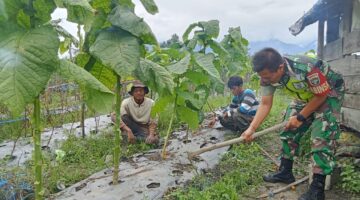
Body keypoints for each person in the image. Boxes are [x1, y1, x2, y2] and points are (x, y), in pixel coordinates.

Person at [243, 48, 344, 200]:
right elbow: (265, 103)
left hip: (328, 92)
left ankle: (317, 189)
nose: (265, 80)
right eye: (262, 77)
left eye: (268, 77)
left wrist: (301, 117)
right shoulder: (266, 75)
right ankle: (285, 172)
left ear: (280, 68)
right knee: (288, 127)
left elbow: (321, 94)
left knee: (321, 135)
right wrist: (251, 128)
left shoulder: (306, 68)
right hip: (306, 95)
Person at [111, 80, 159, 145]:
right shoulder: (126, 102)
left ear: (145, 92)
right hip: (130, 125)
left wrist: (151, 134)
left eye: (141, 90)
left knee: (154, 140)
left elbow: (153, 122)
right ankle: (129, 137)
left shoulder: (151, 103)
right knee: (124, 117)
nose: (139, 93)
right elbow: (114, 115)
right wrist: (128, 130)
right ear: (132, 93)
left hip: (144, 128)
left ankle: (136, 139)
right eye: (136, 91)